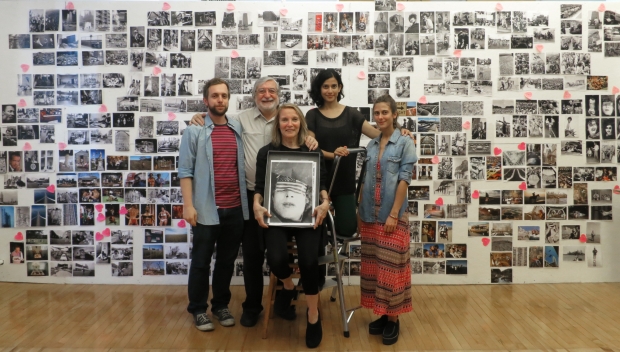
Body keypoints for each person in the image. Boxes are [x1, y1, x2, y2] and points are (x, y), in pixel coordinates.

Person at [189, 77, 318, 327]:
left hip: (289, 199)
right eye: (261, 91)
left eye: (271, 91)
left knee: (282, 252)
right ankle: (252, 306)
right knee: (252, 255)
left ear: (278, 95)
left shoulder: (287, 118)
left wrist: (310, 135)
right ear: (254, 95)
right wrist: (199, 117)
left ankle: (284, 301)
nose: (267, 95)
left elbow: (303, 130)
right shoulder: (240, 119)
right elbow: (216, 120)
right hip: (251, 196)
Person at [253, 103, 330, 349]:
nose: (289, 124)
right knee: (275, 259)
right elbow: (260, 187)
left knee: (308, 262)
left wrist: (325, 203)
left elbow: (323, 185)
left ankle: (313, 316)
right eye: (284, 120)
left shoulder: (314, 152)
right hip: (276, 216)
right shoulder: (267, 153)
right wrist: (256, 205)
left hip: (308, 217)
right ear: (278, 124)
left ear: (300, 123)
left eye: (294, 120)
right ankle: (288, 286)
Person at [179, 78, 249, 332]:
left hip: (235, 209)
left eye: (224, 96)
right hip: (207, 210)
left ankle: (220, 305)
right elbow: (185, 171)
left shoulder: (237, 128)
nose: (220, 100)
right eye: (215, 96)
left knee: (226, 262)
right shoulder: (194, 131)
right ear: (205, 100)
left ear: (228, 99)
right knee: (200, 261)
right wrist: (188, 206)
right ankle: (198, 309)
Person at [306, 69, 411, 239]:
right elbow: (311, 147)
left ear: (340, 87)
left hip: (344, 181)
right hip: (318, 182)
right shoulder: (312, 115)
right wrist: (334, 155)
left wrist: (401, 132)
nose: (330, 90)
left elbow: (379, 134)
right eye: (325, 86)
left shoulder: (351, 114)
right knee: (315, 233)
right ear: (319, 88)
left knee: (347, 230)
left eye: (334, 86)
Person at [357, 94, 417, 346]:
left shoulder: (405, 142)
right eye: (377, 113)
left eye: (385, 113)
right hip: (370, 215)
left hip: (391, 216)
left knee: (393, 269)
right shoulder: (370, 145)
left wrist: (394, 214)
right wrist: (360, 211)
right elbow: (363, 180)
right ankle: (382, 314)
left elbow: (404, 179)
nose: (380, 117)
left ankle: (393, 320)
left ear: (394, 114)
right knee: (375, 269)